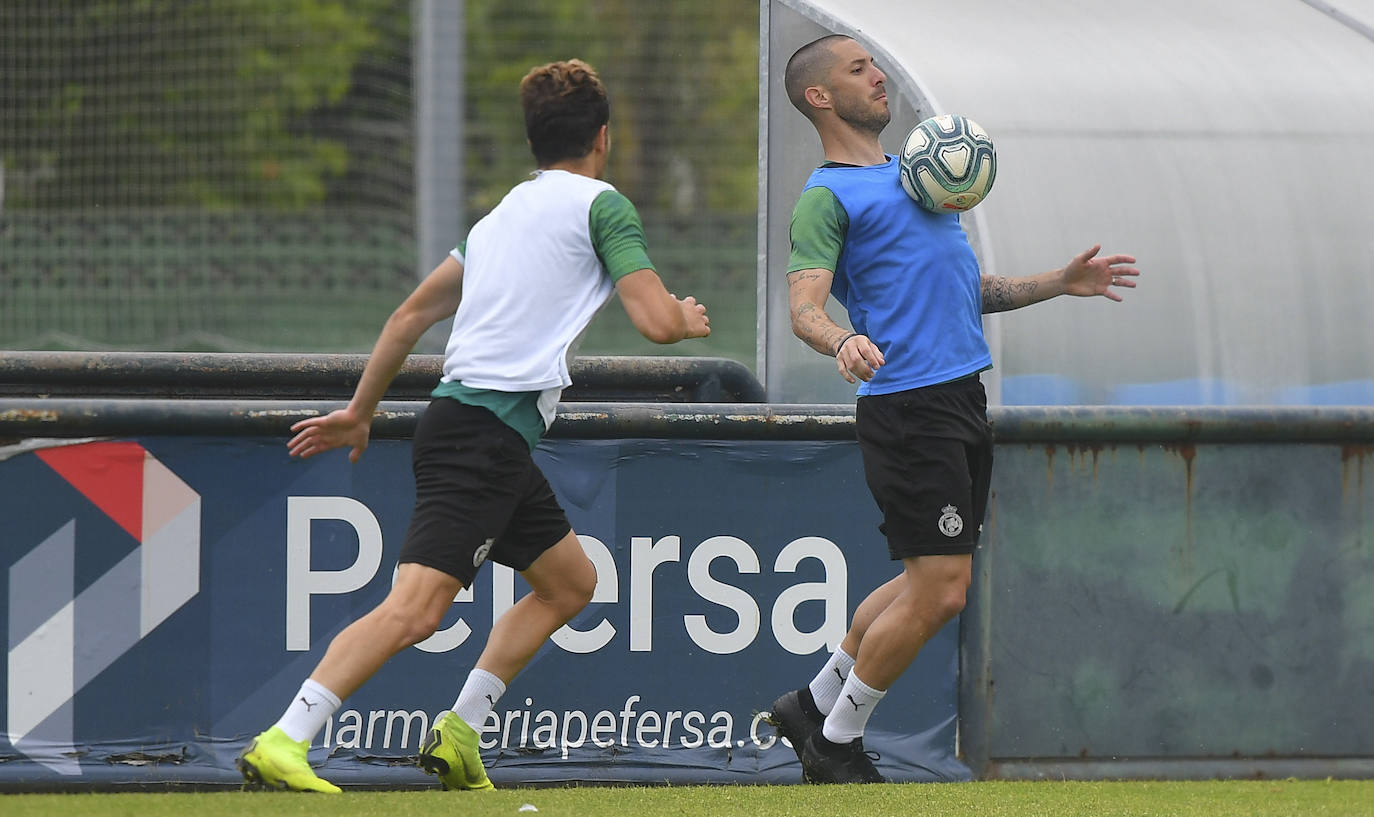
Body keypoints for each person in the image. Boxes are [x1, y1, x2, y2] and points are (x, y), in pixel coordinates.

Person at [236, 58, 710, 793]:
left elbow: (409, 316)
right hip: (483, 436)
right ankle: (286, 736)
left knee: (570, 582)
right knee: (417, 609)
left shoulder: (496, 220)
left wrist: (361, 412)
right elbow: (654, 322)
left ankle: (460, 733)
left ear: (534, 140)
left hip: (478, 430)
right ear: (603, 138)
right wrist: (685, 317)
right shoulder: (603, 204)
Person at [766, 35, 1139, 784]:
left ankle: (811, 704)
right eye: (857, 69)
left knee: (923, 578)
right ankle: (836, 743)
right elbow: (804, 306)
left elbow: (965, 291)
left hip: (961, 397)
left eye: (874, 65)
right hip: (908, 407)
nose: (878, 76)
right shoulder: (826, 195)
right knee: (943, 589)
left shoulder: (924, 176)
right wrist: (843, 340)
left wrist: (1061, 281)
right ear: (818, 96)